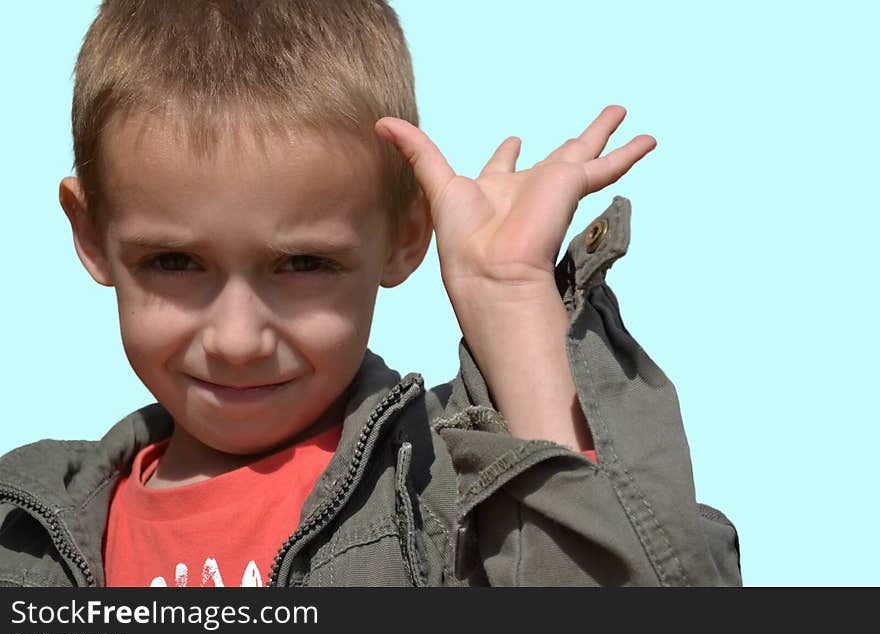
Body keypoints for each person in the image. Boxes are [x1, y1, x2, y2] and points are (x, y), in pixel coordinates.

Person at [0, 0, 741, 587]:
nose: (235, 337)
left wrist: (511, 302)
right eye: (172, 261)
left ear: (404, 234)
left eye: (302, 264)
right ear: (92, 234)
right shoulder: (21, 537)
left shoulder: (443, 492)